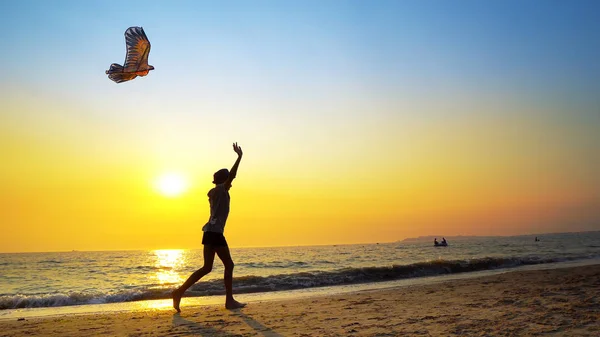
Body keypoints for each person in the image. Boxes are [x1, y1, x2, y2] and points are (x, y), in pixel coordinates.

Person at [172, 142, 246, 312]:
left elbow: (230, 178)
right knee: (229, 265)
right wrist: (239, 157)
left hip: (209, 232)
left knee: (207, 267)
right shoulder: (221, 190)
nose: (231, 182)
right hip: (215, 233)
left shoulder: (214, 192)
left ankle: (179, 292)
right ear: (223, 180)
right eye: (228, 179)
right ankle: (229, 301)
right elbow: (232, 175)